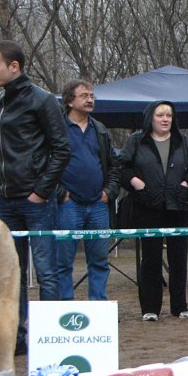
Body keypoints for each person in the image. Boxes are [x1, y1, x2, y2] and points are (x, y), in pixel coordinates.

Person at [0, 40, 70, 356]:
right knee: (9, 275)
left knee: (47, 271)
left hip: (36, 201)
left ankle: (49, 338)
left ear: (14, 66)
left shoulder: (43, 100)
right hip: (4, 200)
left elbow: (61, 149)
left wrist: (41, 192)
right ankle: (16, 339)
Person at [118, 100, 188, 321]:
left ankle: (180, 306)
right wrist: (137, 183)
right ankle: (150, 308)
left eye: (169, 115)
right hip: (147, 206)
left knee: (178, 258)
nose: (165, 119)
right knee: (150, 258)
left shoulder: (183, 141)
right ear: (150, 118)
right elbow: (122, 167)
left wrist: (186, 185)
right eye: (160, 115)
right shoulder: (136, 141)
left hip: (177, 206)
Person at [56, 80, 121, 300]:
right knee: (63, 262)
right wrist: (60, 194)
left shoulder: (100, 130)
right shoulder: (56, 129)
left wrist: (108, 193)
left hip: (98, 206)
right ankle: (65, 309)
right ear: (69, 101)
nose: (90, 99)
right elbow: (44, 165)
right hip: (68, 205)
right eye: (84, 95)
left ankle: (98, 309)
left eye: (92, 96)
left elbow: (114, 166)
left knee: (100, 261)